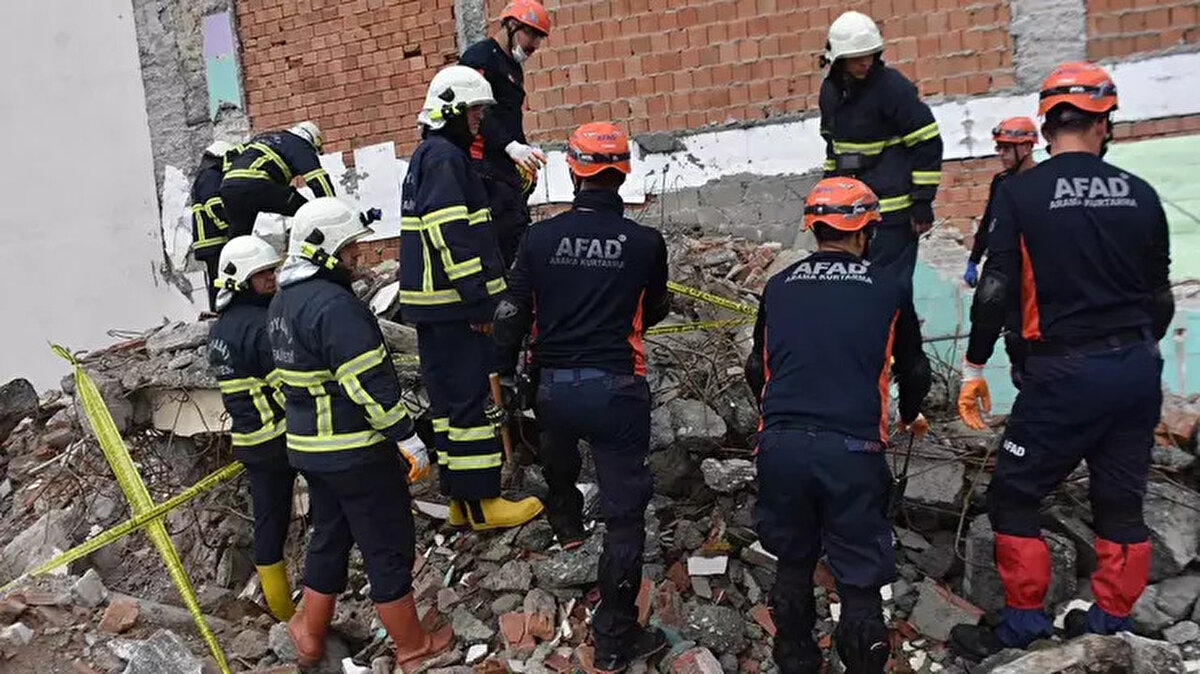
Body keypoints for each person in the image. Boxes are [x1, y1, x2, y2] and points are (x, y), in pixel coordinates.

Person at [951, 62, 1173, 660]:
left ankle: (1024, 626)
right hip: (1135, 367)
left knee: (1015, 495)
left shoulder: (1022, 194)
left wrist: (975, 368)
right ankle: (1108, 624)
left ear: (1047, 125)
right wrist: (1135, 356)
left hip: (1065, 373)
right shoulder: (1141, 195)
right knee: (1120, 501)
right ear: (1105, 122)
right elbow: (1160, 299)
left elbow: (996, 291)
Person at [492, 122, 670, 673]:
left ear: (573, 171)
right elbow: (657, 307)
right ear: (623, 173)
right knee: (624, 517)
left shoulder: (539, 239)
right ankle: (615, 639)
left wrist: (501, 369)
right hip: (618, 387)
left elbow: (512, 314)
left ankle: (567, 526)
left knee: (559, 455)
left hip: (555, 387)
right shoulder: (645, 243)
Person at [746, 177, 931, 674]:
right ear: (866, 230)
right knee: (859, 576)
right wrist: (911, 411)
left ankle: (796, 659)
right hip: (853, 449)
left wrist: (778, 421)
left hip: (781, 446)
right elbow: (914, 369)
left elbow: (755, 370)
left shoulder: (779, 287)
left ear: (814, 228)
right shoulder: (888, 289)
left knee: (792, 559)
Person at [268, 197, 452, 669]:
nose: (356, 256)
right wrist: (406, 436)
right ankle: (413, 647)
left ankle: (308, 636)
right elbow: (366, 385)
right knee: (386, 542)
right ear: (326, 248)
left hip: (310, 449)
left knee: (330, 536)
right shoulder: (335, 306)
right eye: (349, 247)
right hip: (355, 451)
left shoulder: (283, 301)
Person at [398, 65, 542, 531]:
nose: (479, 121)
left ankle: (461, 500)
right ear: (451, 112)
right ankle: (484, 503)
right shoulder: (444, 159)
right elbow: (452, 236)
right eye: (475, 112)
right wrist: (478, 302)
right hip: (456, 308)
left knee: (448, 407)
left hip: (436, 308)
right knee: (471, 406)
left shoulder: (430, 156)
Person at [819, 10, 944, 289]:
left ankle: (901, 334)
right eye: (857, 57)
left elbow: (928, 142)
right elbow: (832, 150)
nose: (866, 62)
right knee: (858, 290)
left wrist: (922, 202)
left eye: (871, 54)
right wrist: (828, 199)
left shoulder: (892, 88)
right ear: (838, 59)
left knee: (891, 290)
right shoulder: (830, 93)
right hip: (851, 215)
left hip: (894, 216)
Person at [207, 234, 295, 622]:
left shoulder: (222, 329)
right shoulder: (261, 326)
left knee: (269, 525)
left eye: (272, 271)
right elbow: (288, 385)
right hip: (279, 437)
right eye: (262, 274)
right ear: (243, 280)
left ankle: (282, 611)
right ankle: (290, 614)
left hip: (250, 441)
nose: (272, 279)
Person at [460, 0, 552, 266]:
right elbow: (475, 112)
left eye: (539, 37)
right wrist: (511, 146)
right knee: (499, 235)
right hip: (481, 166)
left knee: (516, 230)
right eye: (531, 34)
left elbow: (509, 118)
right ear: (512, 25)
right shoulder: (479, 58)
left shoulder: (512, 66)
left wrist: (524, 152)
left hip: (503, 166)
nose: (534, 45)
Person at [964, 117, 1039, 386]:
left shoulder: (1040, 182)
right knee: (990, 319)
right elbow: (988, 222)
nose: (1002, 155)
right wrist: (973, 260)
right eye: (1000, 148)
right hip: (998, 265)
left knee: (1022, 343)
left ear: (1027, 147)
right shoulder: (1001, 182)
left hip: (1026, 273)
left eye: (1008, 149)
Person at [221, 121, 335, 236]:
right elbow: (318, 178)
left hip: (229, 188)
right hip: (256, 184)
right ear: (312, 140)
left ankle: (234, 253)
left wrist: (229, 175)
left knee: (239, 237)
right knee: (304, 211)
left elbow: (230, 153)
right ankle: (312, 241)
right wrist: (332, 207)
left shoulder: (266, 138)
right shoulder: (299, 144)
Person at [191, 140, 239, 311]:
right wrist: (230, 227)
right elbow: (213, 205)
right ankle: (219, 312)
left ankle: (219, 311)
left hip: (210, 240)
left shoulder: (206, 175)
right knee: (219, 279)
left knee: (217, 279)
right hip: (213, 239)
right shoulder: (210, 176)